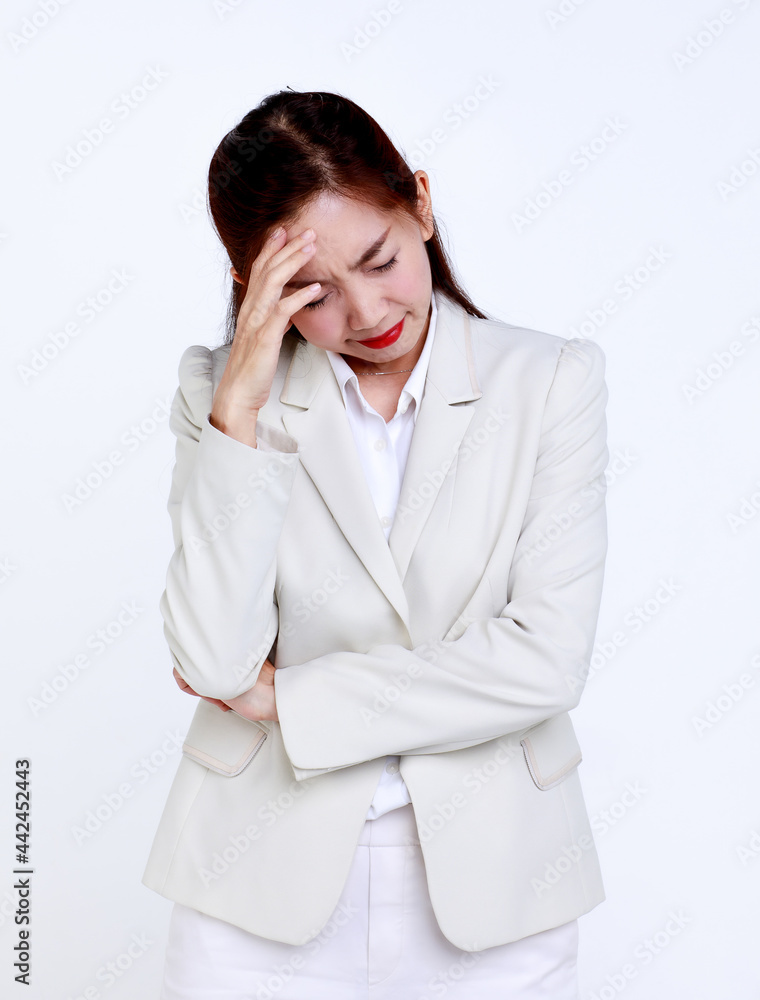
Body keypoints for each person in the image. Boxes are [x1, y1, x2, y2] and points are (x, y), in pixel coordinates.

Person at [142, 88, 610, 998]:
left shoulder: (552, 382)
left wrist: (294, 702)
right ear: (257, 288)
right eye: (314, 293)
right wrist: (237, 409)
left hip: (501, 885)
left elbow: (547, 662)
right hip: (252, 883)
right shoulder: (221, 397)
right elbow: (211, 656)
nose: (366, 314)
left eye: (381, 259)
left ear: (421, 205)